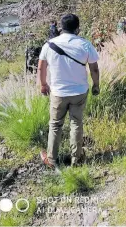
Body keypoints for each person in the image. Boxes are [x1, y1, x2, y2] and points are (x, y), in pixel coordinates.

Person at [38, 14, 100, 168]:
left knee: (55, 125)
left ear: (61, 28)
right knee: (76, 123)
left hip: (58, 92)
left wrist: (43, 85)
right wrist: (96, 85)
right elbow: (94, 68)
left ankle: (51, 160)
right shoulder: (85, 45)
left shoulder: (49, 45)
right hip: (79, 91)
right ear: (77, 28)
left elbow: (41, 67)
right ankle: (77, 159)